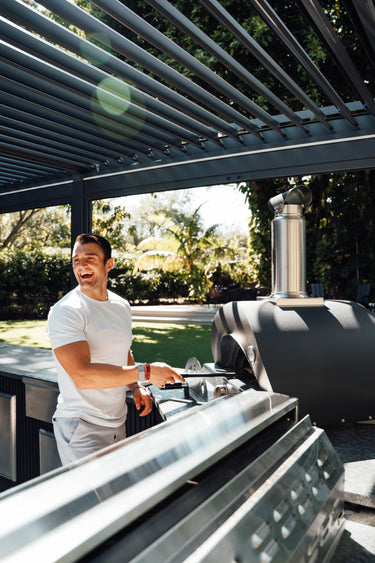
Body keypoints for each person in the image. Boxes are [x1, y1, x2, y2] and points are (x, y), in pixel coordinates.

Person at [47, 233, 184, 466]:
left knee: (115, 498)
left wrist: (135, 385)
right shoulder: (67, 311)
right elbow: (83, 376)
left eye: (90, 258)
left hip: (117, 423)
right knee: (94, 500)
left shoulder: (121, 306)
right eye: (76, 260)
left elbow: (123, 351)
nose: (81, 265)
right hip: (81, 426)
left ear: (108, 264)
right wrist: (147, 372)